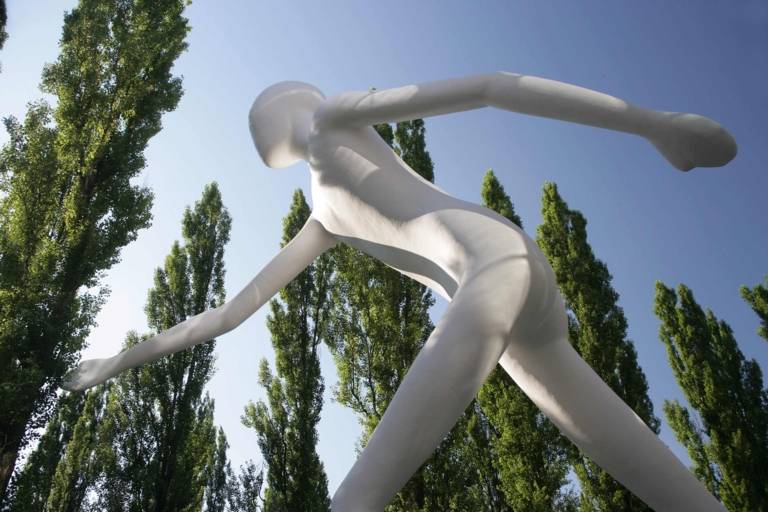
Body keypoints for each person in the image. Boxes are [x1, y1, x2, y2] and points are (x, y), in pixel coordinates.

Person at [64, 72, 737, 511]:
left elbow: (487, 88)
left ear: (282, 108)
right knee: (662, 482)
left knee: (357, 497)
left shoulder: (331, 120)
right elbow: (230, 314)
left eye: (257, 115)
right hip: (506, 314)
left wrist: (654, 122)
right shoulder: (322, 217)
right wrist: (114, 364)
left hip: (490, 267)